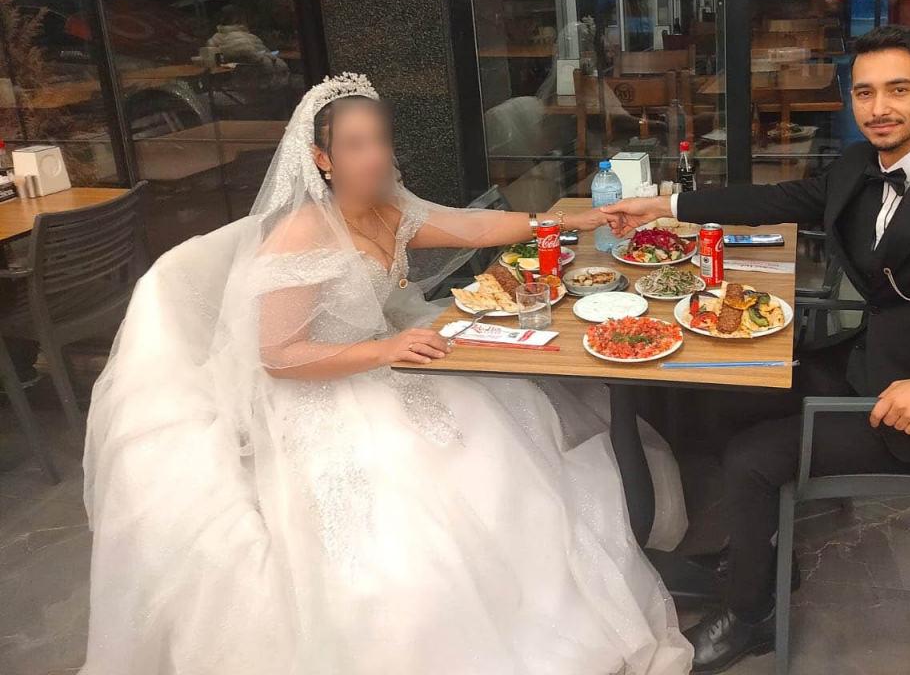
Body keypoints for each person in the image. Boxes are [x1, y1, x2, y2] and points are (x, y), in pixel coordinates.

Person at [80, 73, 693, 675]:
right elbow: (280, 356)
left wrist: (571, 222)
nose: (374, 156)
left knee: (499, 426)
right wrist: (384, 350)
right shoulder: (301, 235)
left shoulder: (387, 208)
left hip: (382, 359)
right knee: (418, 493)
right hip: (321, 389)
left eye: (379, 140)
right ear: (322, 159)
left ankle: (529, 598)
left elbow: (474, 226)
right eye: (354, 145)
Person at [603, 27, 910, 672]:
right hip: (864, 363)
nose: (879, 108)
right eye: (865, 93)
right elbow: (774, 199)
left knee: (750, 459)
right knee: (715, 401)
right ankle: (759, 549)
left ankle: (751, 615)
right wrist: (666, 204)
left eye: (898, 90)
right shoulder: (857, 166)